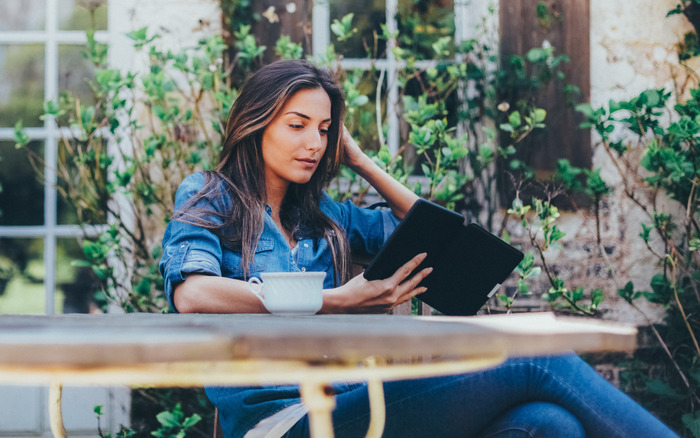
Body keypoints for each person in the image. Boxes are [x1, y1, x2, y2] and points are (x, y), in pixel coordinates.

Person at [159, 59, 677, 438]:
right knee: (536, 360)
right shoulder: (211, 196)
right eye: (296, 126)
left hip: (354, 403)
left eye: (324, 130)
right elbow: (194, 293)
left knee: (548, 425)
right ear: (256, 123)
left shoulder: (326, 218)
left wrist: (361, 162)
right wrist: (337, 300)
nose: (314, 144)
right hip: (280, 421)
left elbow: (443, 238)